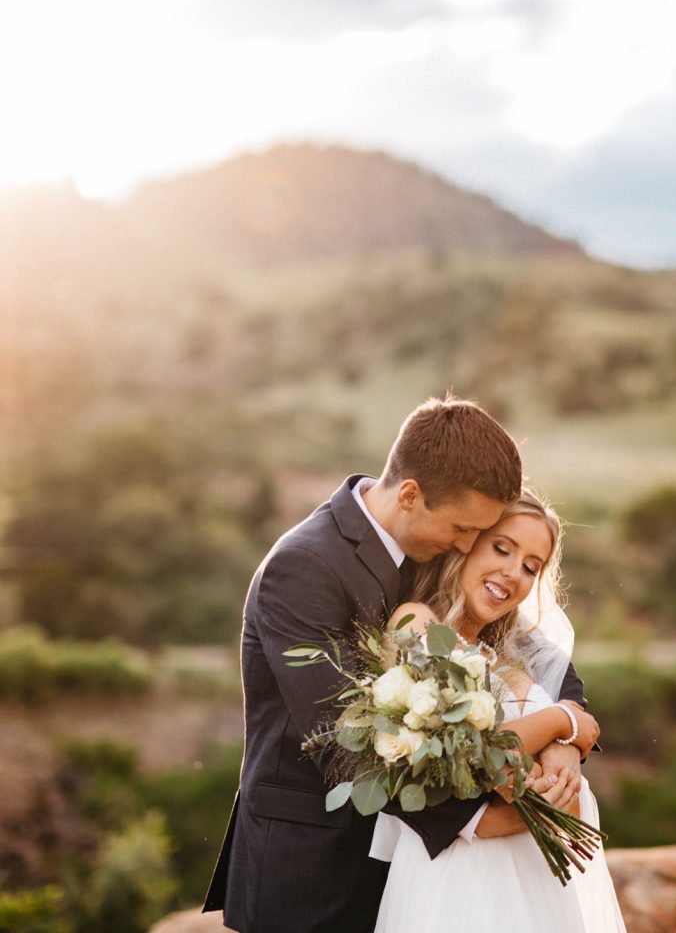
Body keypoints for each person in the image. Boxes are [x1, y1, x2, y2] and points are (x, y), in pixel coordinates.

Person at [204, 395, 592, 933]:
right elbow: (341, 741)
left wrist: (565, 737)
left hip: (410, 873)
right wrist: (479, 820)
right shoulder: (304, 566)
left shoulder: (428, 551)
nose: (467, 545)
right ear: (410, 494)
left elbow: (536, 658)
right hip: (313, 870)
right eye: (463, 530)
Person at [371, 488, 626, 933]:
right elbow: (463, 754)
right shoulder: (417, 623)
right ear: (467, 543)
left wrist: (561, 751)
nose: (513, 573)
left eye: (531, 567)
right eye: (502, 548)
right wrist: (559, 723)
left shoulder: (511, 652)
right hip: (463, 878)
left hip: (536, 877)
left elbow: (570, 706)